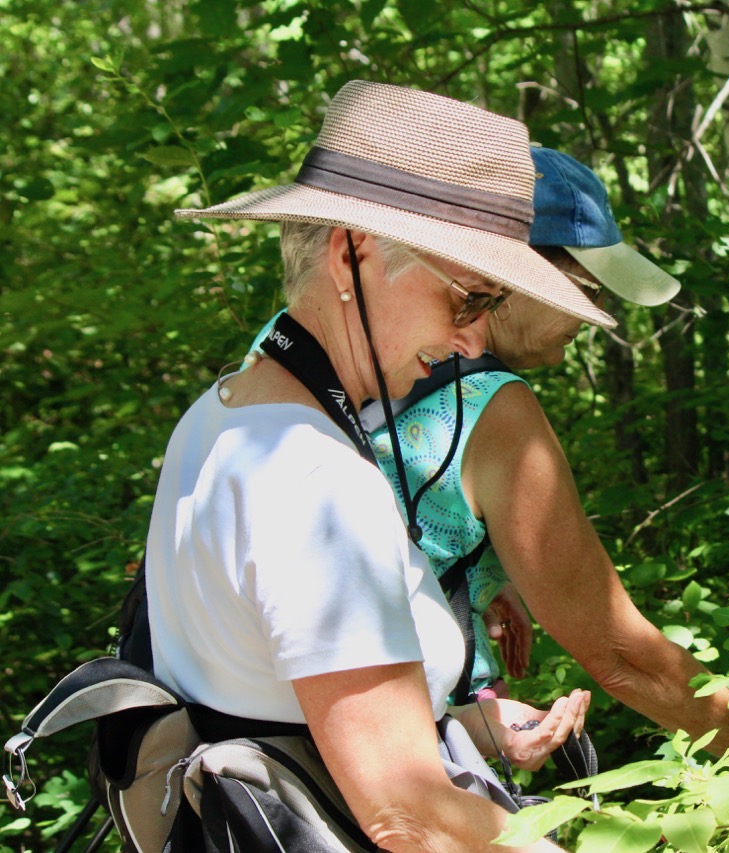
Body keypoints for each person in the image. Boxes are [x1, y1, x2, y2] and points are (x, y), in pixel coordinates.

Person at [151, 81, 603, 851]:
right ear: (350, 254)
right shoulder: (310, 479)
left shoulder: (221, 418)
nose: (470, 342)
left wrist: (466, 722)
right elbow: (408, 815)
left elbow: (277, 701)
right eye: (465, 299)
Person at [358, 146, 729, 759]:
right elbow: (620, 657)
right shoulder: (492, 406)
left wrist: (473, 573)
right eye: (589, 294)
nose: (596, 317)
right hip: (408, 752)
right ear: (523, 272)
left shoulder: (335, 349)